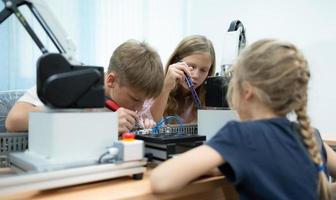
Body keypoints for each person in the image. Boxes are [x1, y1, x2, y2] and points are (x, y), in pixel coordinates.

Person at [150, 39, 336, 199]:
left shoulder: (239, 135)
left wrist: (219, 162)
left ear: (246, 91)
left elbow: (161, 181)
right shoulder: (310, 136)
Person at [5, 39, 164, 134]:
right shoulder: (70, 80)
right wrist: (103, 123)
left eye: (144, 101)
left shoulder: (122, 102)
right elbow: (14, 121)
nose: (140, 107)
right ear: (111, 80)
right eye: (135, 99)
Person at [148, 35, 216, 123]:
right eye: (191, 66)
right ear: (175, 62)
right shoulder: (153, 87)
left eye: (203, 70)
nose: (196, 75)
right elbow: (151, 124)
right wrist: (166, 88)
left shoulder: (208, 100)